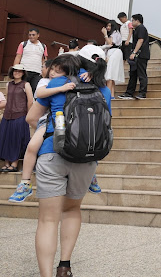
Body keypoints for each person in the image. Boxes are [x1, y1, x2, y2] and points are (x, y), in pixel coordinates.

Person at [26, 50, 111, 277]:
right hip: (87, 158)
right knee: (72, 209)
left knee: (48, 219)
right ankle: (64, 266)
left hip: (52, 153)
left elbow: (31, 118)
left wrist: (47, 126)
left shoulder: (57, 83)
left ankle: (46, 274)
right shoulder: (102, 87)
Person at [7, 60, 101, 203]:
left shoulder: (73, 79)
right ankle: (25, 183)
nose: (52, 73)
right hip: (54, 120)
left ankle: (25, 182)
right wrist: (61, 88)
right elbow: (40, 92)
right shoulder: (49, 82)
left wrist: (90, 72)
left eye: (57, 71)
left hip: (65, 123)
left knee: (33, 147)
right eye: (52, 69)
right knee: (32, 147)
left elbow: (32, 115)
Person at [0, 64, 34, 172]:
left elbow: (30, 101)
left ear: (23, 73)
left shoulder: (26, 84)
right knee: (5, 139)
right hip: (7, 115)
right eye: (15, 71)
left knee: (17, 139)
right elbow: (8, 99)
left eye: (20, 71)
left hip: (20, 115)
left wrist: (28, 114)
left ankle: (14, 163)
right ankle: (6, 163)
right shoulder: (8, 84)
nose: (17, 73)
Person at [118, 13, 149, 100]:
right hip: (137, 55)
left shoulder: (141, 28)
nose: (132, 22)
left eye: (133, 20)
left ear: (137, 21)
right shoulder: (137, 29)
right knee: (133, 74)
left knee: (141, 74)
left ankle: (142, 93)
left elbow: (140, 40)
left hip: (141, 55)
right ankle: (129, 93)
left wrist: (134, 52)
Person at [101, 20, 125, 98]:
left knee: (109, 75)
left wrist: (105, 34)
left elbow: (110, 44)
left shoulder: (115, 33)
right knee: (111, 75)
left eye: (109, 26)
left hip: (114, 52)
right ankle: (112, 95)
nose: (108, 27)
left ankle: (108, 95)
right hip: (113, 52)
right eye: (107, 26)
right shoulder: (114, 33)